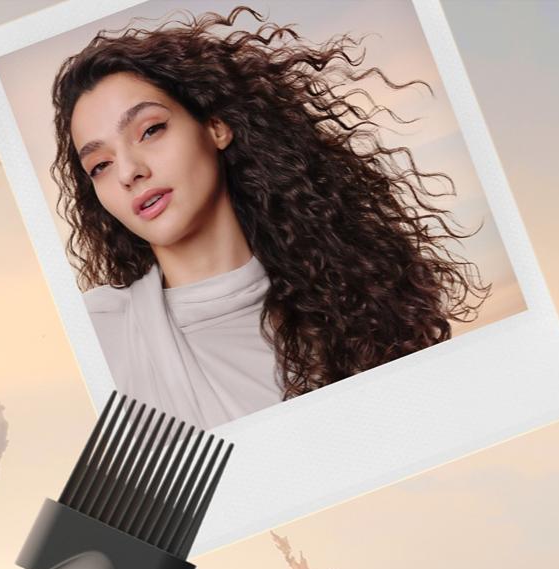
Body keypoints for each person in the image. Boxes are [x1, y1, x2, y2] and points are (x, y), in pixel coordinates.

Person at [50, 5, 490, 429]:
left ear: (215, 127)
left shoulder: (352, 308)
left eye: (150, 130)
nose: (129, 172)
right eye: (100, 166)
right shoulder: (92, 336)